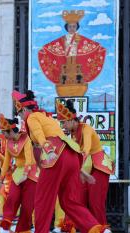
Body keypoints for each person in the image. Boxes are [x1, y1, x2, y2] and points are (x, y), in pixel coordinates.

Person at [12, 90, 110, 233]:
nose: (21, 117)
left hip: (55, 155)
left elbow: (39, 134)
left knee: (42, 199)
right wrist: (81, 170)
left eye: (20, 113)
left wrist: (48, 149)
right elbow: (61, 141)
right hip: (71, 156)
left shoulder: (32, 117)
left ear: (25, 109)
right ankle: (96, 229)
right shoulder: (47, 117)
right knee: (69, 201)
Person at [57, 100, 114, 225]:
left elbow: (86, 149)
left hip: (99, 166)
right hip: (85, 168)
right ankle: (71, 227)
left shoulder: (86, 129)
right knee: (76, 199)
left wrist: (79, 168)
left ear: (72, 120)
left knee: (95, 201)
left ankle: (102, 229)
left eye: (65, 123)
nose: (64, 126)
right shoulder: (72, 135)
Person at [0, 113, 38, 232]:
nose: (3, 135)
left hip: (31, 174)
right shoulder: (8, 142)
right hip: (18, 173)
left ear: (10, 131)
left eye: (4, 132)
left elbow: (29, 159)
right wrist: (0, 180)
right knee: (12, 198)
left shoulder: (26, 139)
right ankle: (5, 224)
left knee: (27, 205)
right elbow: (6, 163)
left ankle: (23, 229)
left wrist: (25, 174)